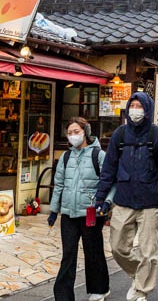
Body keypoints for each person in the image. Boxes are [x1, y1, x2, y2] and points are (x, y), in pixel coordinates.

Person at [95, 92, 158, 301]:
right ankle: (140, 274)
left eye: (140, 105)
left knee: (149, 251)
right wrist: (101, 198)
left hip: (151, 203)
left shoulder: (157, 136)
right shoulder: (120, 135)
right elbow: (108, 169)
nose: (135, 109)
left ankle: (141, 290)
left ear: (147, 109)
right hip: (124, 200)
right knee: (117, 247)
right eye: (133, 105)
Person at [48, 117, 114, 301]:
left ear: (86, 132)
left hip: (91, 212)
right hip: (69, 213)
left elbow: (110, 182)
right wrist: (54, 210)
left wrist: (107, 203)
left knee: (93, 251)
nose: (73, 136)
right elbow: (59, 184)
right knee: (68, 254)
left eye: (76, 132)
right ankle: (63, 296)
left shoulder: (98, 155)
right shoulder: (65, 156)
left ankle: (100, 289)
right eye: (69, 133)